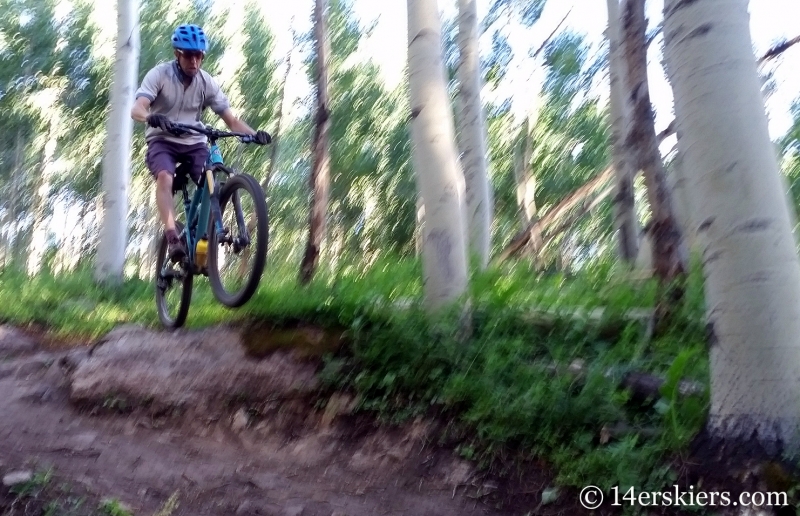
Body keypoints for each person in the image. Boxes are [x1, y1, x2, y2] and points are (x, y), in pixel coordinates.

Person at [130, 23, 270, 262]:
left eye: (199, 56)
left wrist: (255, 134)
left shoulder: (206, 83)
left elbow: (231, 121)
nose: (194, 61)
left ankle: (204, 240)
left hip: (194, 142)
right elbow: (137, 108)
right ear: (177, 54)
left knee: (212, 184)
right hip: (162, 140)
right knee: (165, 176)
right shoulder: (159, 75)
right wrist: (151, 116)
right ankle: (173, 237)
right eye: (188, 55)